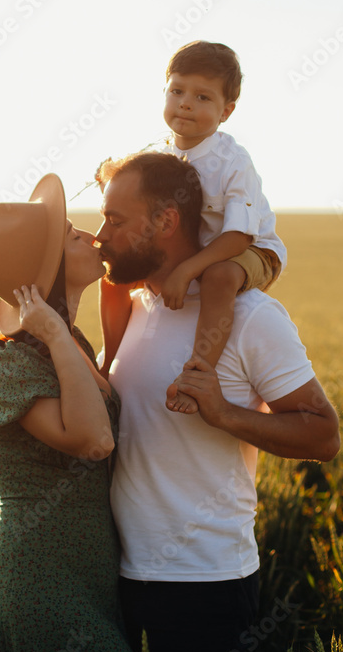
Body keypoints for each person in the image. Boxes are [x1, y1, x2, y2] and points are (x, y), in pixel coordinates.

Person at [95, 151, 340, 652]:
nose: (100, 234)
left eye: (115, 219)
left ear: (165, 221)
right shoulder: (135, 308)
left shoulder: (252, 318)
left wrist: (225, 413)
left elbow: (324, 435)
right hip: (119, 577)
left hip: (202, 585)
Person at [0, 174, 144, 652]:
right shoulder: (10, 365)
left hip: (88, 572)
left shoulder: (69, 344)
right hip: (38, 581)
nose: (92, 234)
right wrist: (46, 330)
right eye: (72, 234)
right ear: (43, 269)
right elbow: (93, 440)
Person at [99, 40, 286, 416]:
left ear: (226, 111)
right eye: (177, 91)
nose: (185, 103)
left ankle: (198, 374)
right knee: (114, 276)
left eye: (203, 97)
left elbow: (238, 235)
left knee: (217, 277)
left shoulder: (233, 160)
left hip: (248, 250)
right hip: (198, 251)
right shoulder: (164, 156)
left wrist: (187, 269)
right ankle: (108, 365)